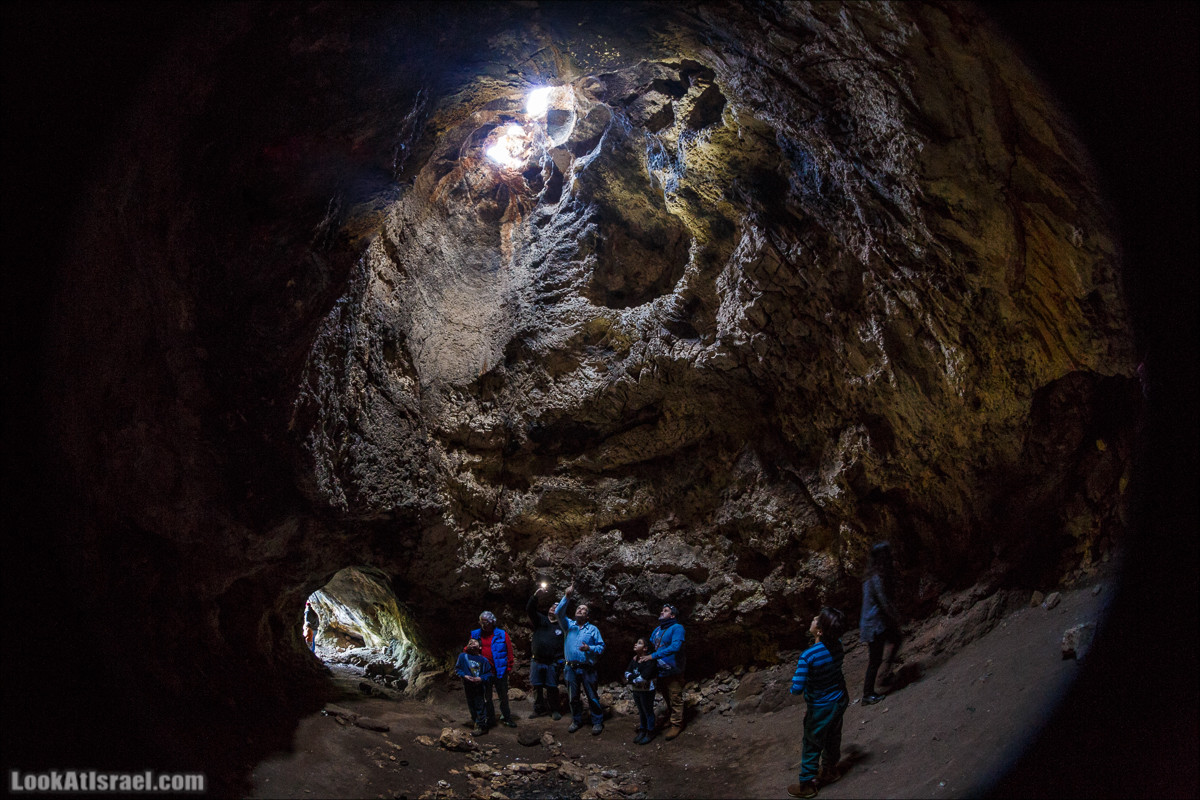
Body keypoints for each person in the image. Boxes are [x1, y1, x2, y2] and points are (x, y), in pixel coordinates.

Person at [787, 607, 849, 799]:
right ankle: (830, 771)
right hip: (839, 699)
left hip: (821, 706)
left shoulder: (808, 656)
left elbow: (797, 688)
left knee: (812, 743)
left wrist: (794, 685)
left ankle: (807, 785)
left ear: (820, 631)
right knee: (832, 736)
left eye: (818, 619)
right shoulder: (838, 645)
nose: (814, 618)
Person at [554, 584, 606, 735]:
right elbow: (558, 612)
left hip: (587, 668)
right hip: (570, 668)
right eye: (579, 608)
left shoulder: (593, 630)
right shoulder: (568, 626)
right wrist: (567, 597)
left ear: (587, 616)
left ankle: (597, 722)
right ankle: (576, 720)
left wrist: (589, 648)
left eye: (584, 610)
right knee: (573, 698)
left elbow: (601, 647)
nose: (580, 610)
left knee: (592, 696)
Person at [860, 541, 902, 705]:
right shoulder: (876, 578)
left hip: (875, 624)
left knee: (896, 639)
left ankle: (884, 676)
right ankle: (867, 694)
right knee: (875, 660)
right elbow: (883, 601)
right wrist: (896, 616)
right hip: (874, 626)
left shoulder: (869, 577)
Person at [642, 602, 686, 739]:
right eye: (662, 610)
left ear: (672, 615)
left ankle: (677, 724)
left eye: (665, 611)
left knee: (675, 697)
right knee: (667, 696)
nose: (662, 612)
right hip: (660, 670)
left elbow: (675, 647)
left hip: (673, 671)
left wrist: (652, 656)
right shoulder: (657, 629)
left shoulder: (677, 628)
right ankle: (671, 717)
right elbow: (650, 645)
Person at [527, 586, 564, 720]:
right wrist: (536, 596)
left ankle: (554, 709)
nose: (554, 608)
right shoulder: (541, 620)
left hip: (552, 662)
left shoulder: (562, 626)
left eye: (557, 606)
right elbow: (530, 609)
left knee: (552, 687)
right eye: (552, 606)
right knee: (537, 686)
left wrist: (561, 660)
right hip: (537, 660)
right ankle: (538, 709)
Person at [454, 637, 495, 737]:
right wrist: (464, 675)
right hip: (468, 686)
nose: (471, 642)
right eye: (469, 642)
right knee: (471, 705)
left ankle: (481, 726)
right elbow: (458, 668)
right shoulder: (463, 656)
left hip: (479, 686)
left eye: (474, 642)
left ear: (480, 647)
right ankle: (477, 721)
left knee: (480, 705)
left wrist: (481, 678)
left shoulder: (483, 660)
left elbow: (489, 674)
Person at [625, 637, 659, 745]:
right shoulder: (634, 659)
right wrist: (634, 677)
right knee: (641, 710)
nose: (635, 644)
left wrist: (633, 678)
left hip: (647, 690)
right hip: (637, 689)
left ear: (645, 648)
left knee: (648, 710)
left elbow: (644, 676)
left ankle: (650, 732)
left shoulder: (650, 661)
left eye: (639, 643)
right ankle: (642, 729)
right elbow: (627, 672)